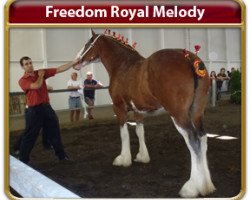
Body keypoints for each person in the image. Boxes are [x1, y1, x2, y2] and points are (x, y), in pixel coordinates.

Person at [18, 56, 79, 163]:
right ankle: (23, 160)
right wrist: (41, 76)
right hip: (34, 110)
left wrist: (73, 62)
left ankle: (62, 156)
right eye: (26, 64)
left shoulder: (40, 72)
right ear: (22, 67)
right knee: (30, 136)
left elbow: (59, 69)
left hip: (46, 107)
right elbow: (36, 85)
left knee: (55, 131)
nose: (29, 65)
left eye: (30, 62)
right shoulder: (23, 80)